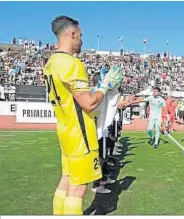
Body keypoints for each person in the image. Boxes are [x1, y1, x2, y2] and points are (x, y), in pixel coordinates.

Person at [44, 16, 123, 215]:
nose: (81, 40)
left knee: (67, 179)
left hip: (65, 130)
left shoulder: (51, 62)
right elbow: (88, 103)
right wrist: (105, 86)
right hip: (80, 134)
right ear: (72, 34)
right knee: (79, 187)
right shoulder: (72, 64)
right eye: (80, 36)